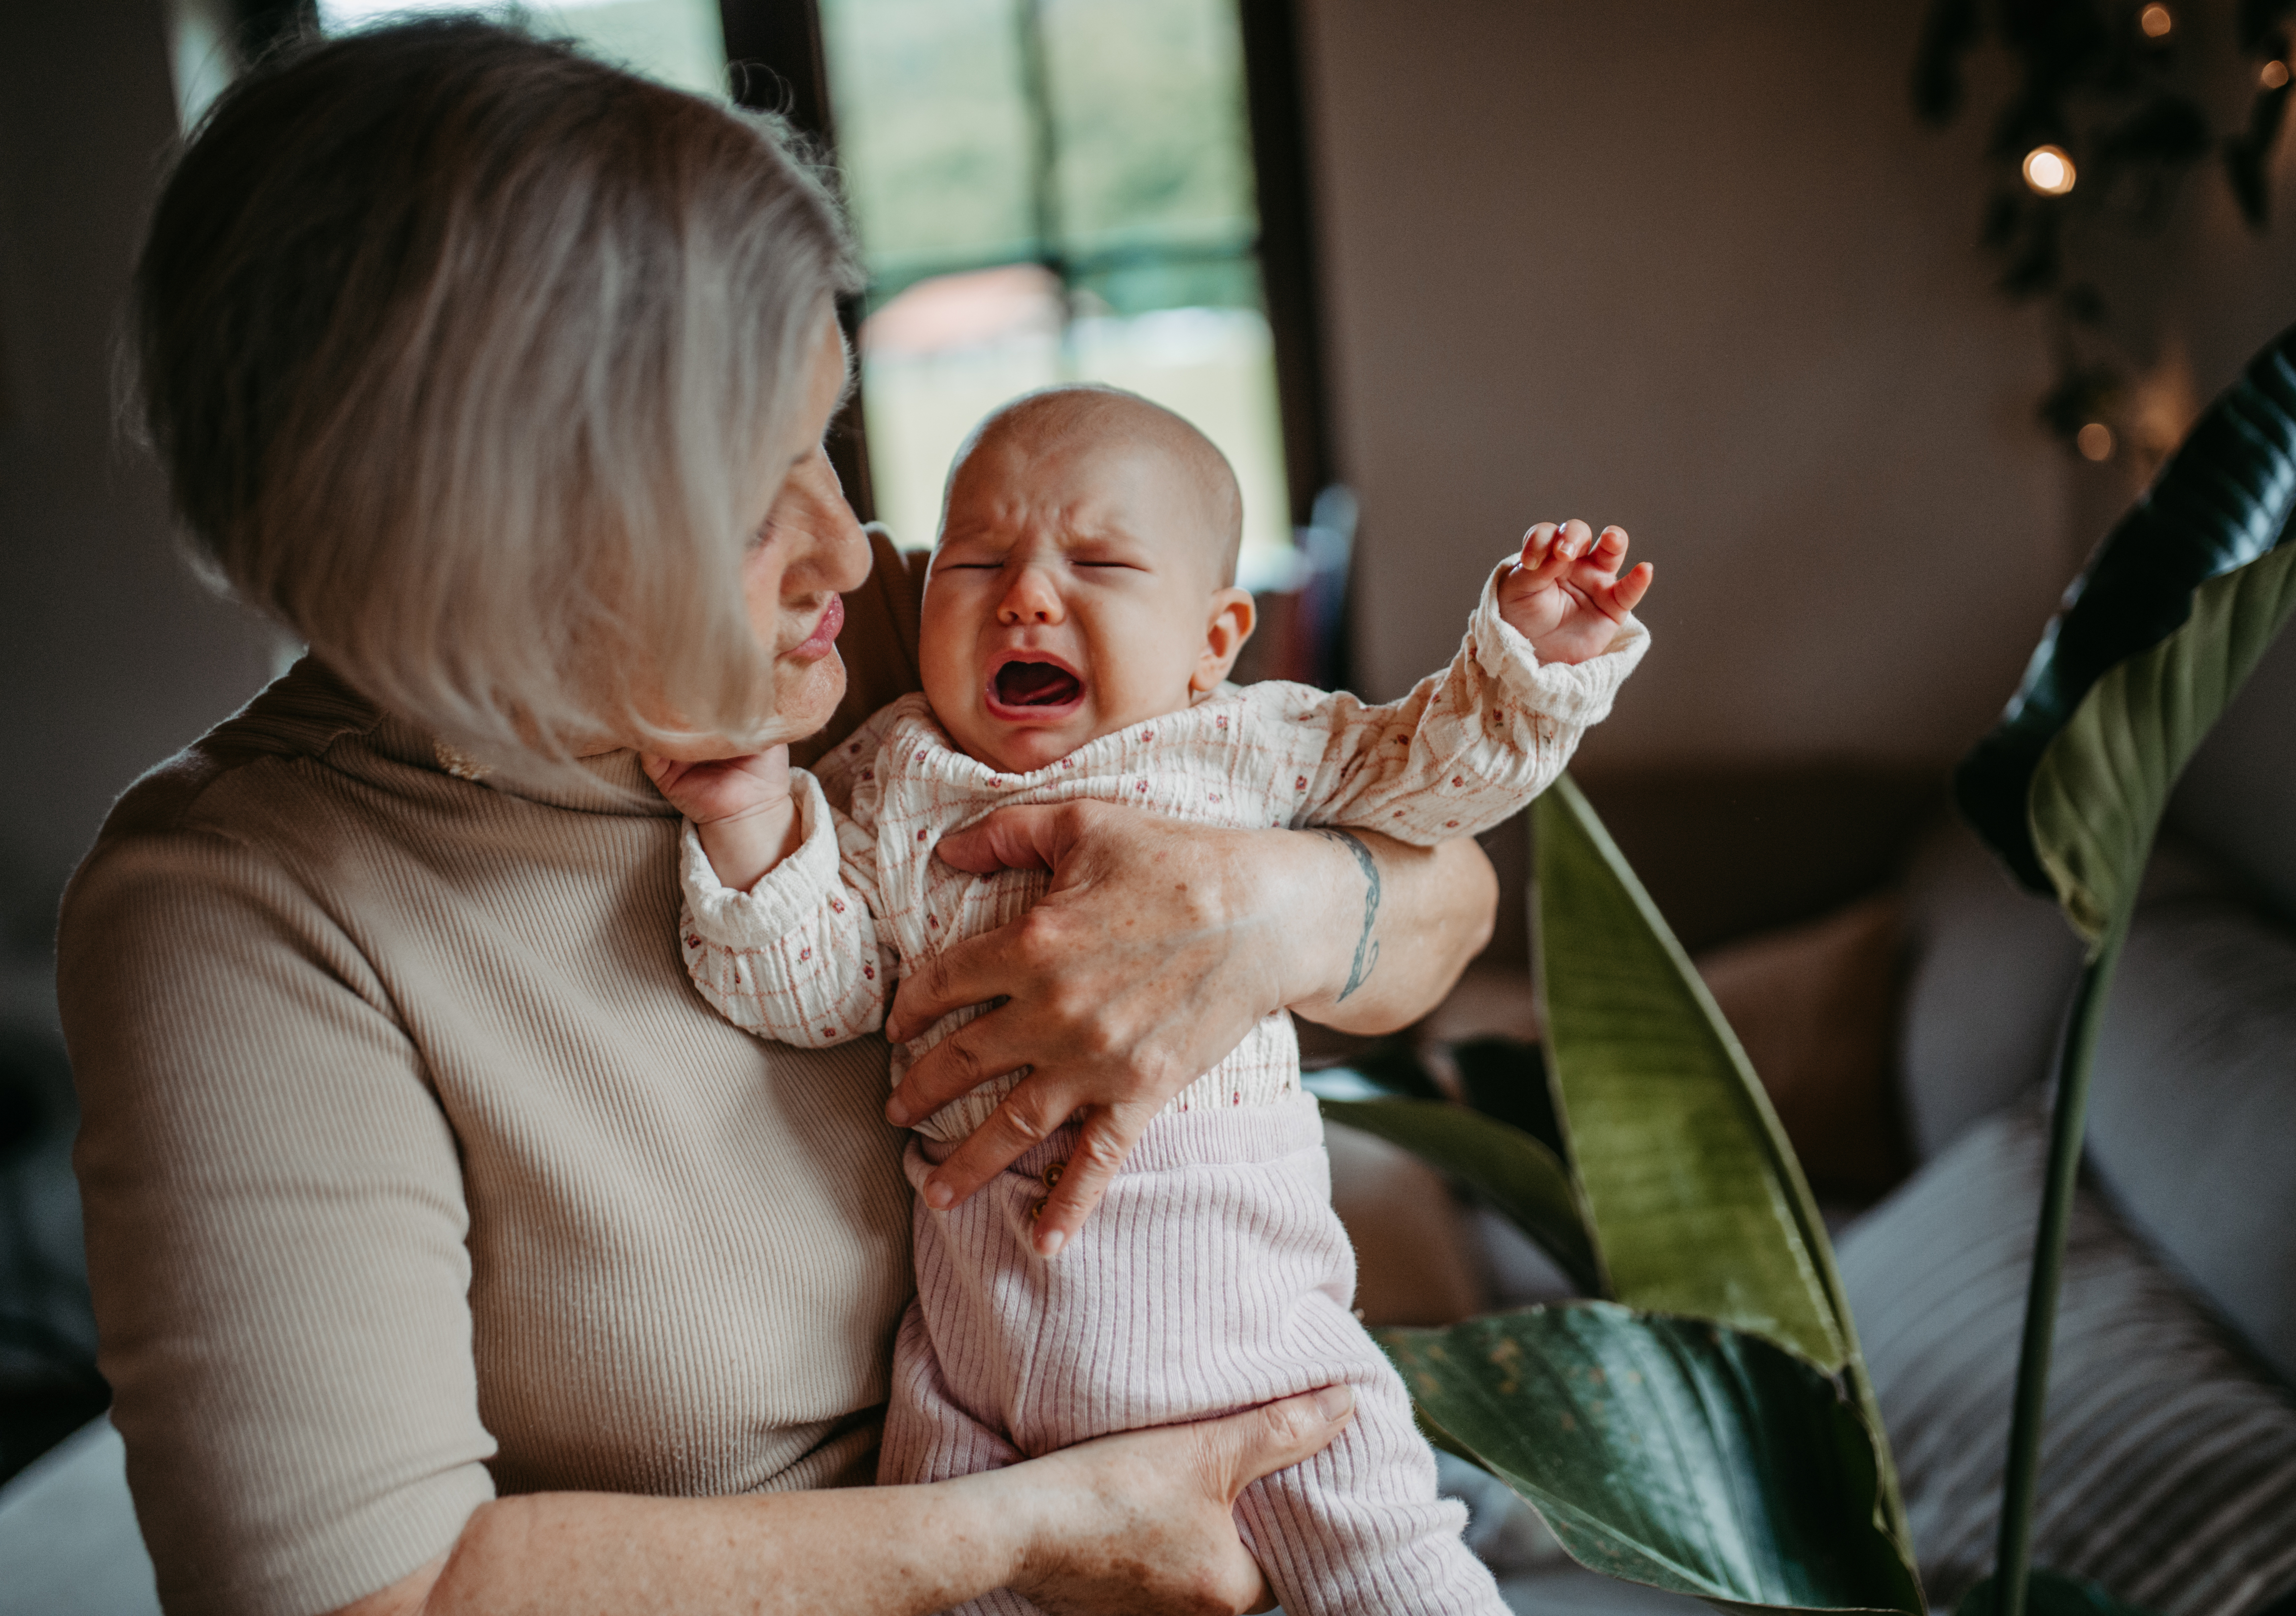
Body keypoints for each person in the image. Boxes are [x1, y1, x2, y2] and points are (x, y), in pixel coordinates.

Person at [55, 22, 1500, 1616]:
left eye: (826, 432)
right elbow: (357, 1598)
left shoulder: (873, 641)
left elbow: (1445, 900)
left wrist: (1260, 916)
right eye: (744, 503)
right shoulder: (234, 910)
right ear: (482, 554)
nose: (842, 538)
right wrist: (1029, 1527)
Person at [649, 384, 1652, 1616]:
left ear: (1213, 639)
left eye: (1100, 560)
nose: (1023, 593)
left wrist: (1527, 661)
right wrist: (752, 815)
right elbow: (816, 990)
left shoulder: (1250, 743)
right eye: (975, 559)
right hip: (980, 1391)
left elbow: (1431, 789)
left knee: (1399, 1581)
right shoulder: (891, 774)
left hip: (1265, 1372)